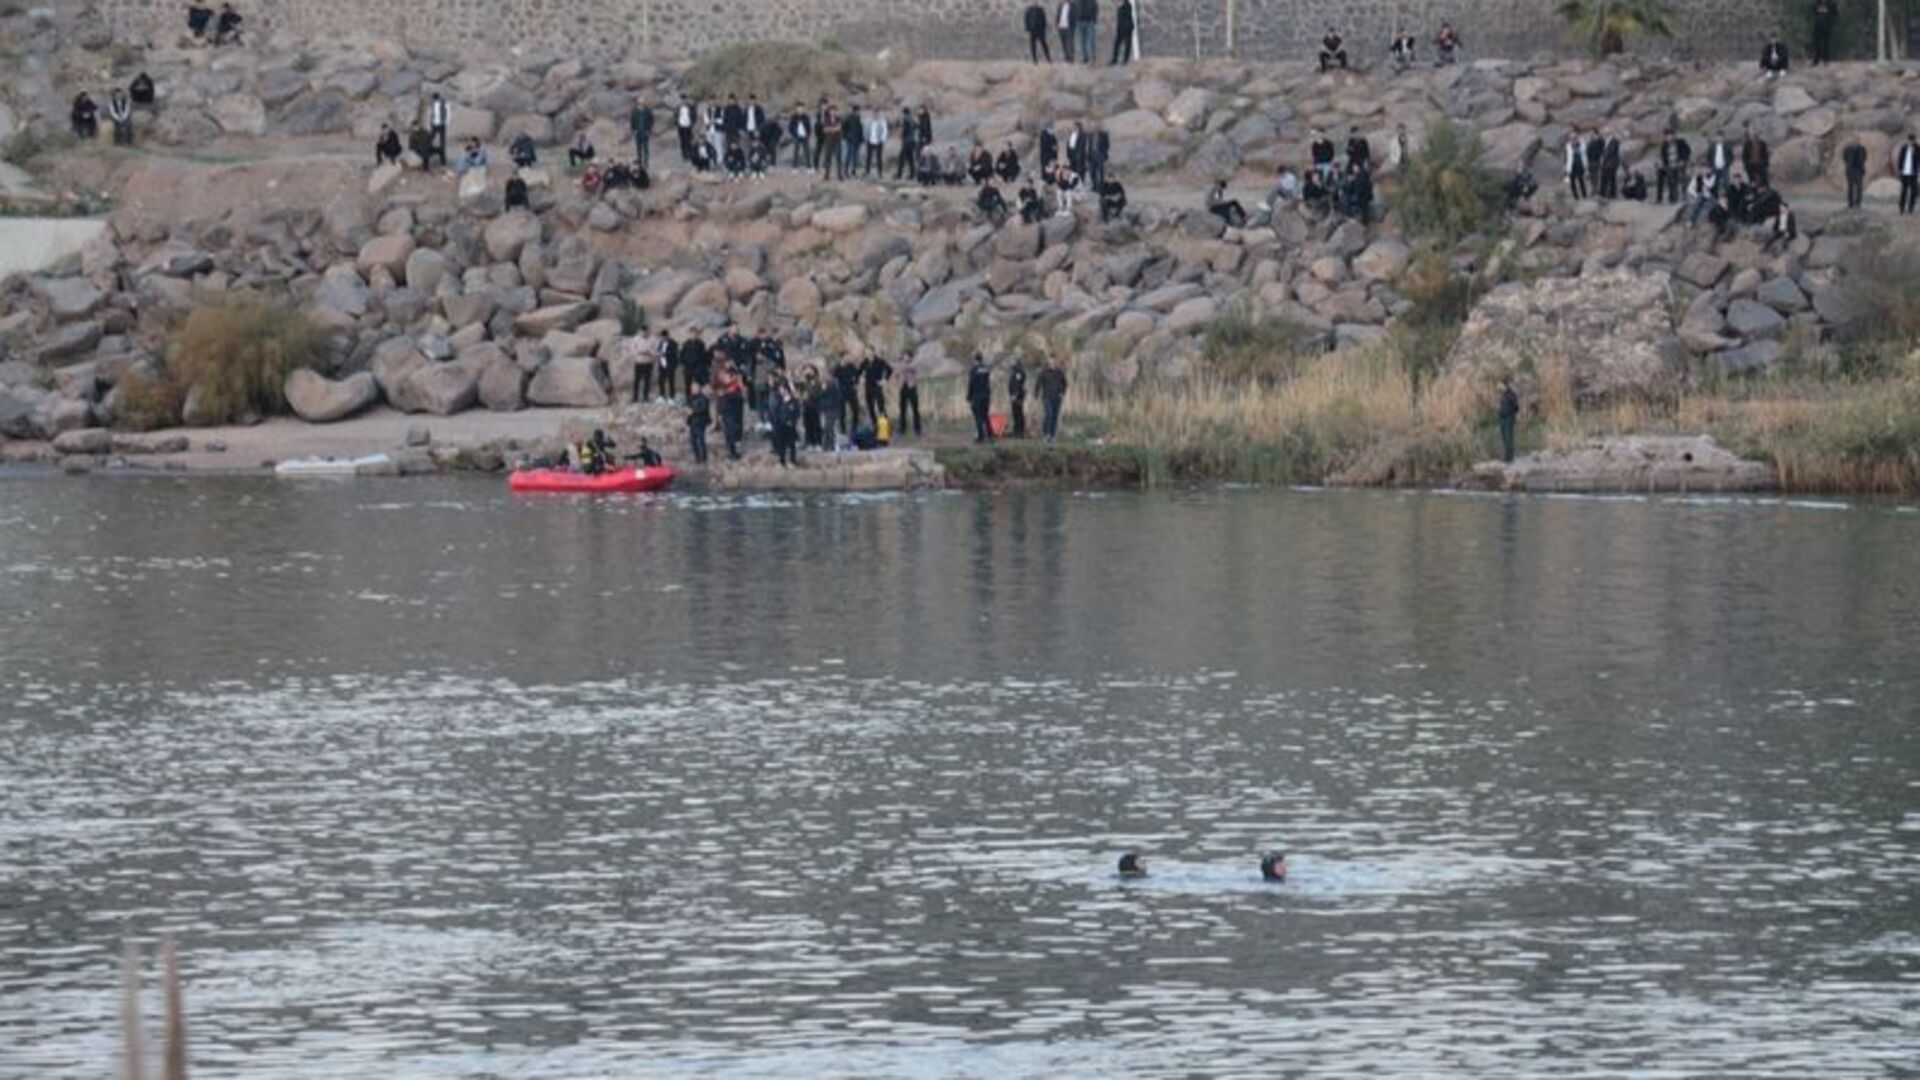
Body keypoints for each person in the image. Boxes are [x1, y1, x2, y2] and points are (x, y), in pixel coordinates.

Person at [716, 365, 747, 461]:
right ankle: (730, 451)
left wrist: (726, 395)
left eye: (726, 376)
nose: (724, 378)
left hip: (732, 414)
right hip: (725, 413)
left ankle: (734, 453)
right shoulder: (724, 387)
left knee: (731, 433)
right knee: (727, 434)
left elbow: (740, 398)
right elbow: (720, 401)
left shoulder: (734, 387)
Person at [1656, 128, 1690, 205]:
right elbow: (1663, 157)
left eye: (1670, 136)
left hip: (1679, 164)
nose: (1668, 138)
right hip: (1669, 165)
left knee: (1681, 177)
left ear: (1673, 136)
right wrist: (1662, 164)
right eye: (1666, 136)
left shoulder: (1680, 142)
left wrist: (1684, 160)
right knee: (1665, 176)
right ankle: (1668, 198)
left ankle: (1682, 196)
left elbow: (1688, 151)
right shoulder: (1664, 145)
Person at [1037, 358, 1067, 443]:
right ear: (1048, 364)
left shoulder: (1059, 373)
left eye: (1054, 363)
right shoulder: (1044, 372)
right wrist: (1036, 393)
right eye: (1051, 363)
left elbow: (1065, 383)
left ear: (1056, 364)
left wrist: (1062, 392)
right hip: (1047, 397)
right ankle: (1046, 434)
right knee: (1048, 414)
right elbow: (1038, 382)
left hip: (1057, 397)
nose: (1053, 364)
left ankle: (1052, 435)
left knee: (1054, 416)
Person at [966, 353, 994, 442]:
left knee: (978, 416)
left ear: (975, 360)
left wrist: (969, 396)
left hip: (977, 396)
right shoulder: (986, 369)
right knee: (985, 415)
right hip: (986, 395)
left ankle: (980, 436)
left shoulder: (973, 370)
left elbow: (971, 384)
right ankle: (990, 433)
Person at [772, 383, 802, 468]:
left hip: (789, 426)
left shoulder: (793, 401)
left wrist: (792, 421)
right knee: (781, 444)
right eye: (780, 389)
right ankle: (781, 461)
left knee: (791, 444)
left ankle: (792, 461)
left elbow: (797, 413)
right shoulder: (779, 401)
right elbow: (775, 412)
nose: (781, 391)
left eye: (782, 389)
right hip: (780, 425)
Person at [861, 354, 892, 427]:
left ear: (873, 352)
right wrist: (859, 379)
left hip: (877, 387)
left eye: (869, 351)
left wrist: (885, 380)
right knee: (870, 408)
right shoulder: (865, 362)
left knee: (881, 408)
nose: (868, 353)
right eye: (866, 352)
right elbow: (859, 371)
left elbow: (889, 369)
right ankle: (875, 425)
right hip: (868, 387)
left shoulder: (880, 361)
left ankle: (884, 428)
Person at [685, 384, 712, 464]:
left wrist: (693, 411)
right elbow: (687, 406)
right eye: (692, 389)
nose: (693, 390)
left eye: (694, 389)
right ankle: (697, 458)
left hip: (700, 422)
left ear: (699, 389)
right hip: (692, 422)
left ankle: (703, 458)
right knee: (693, 441)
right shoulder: (691, 398)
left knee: (700, 440)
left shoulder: (704, 398)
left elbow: (703, 409)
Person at [896, 355, 922, 438]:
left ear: (910, 357)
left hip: (912, 388)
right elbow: (896, 373)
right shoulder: (900, 365)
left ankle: (917, 429)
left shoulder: (914, 364)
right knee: (902, 410)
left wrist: (902, 367)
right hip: (903, 388)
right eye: (904, 356)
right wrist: (898, 381)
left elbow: (911, 368)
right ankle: (902, 429)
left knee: (915, 410)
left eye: (907, 356)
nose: (906, 358)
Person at [1497, 378, 1520, 463]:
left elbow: (1516, 407)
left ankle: (1510, 457)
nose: (1498, 386)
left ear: (1504, 385)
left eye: (1500, 385)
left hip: (1509, 418)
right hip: (1502, 418)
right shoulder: (1501, 394)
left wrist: (1509, 413)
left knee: (1509, 437)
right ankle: (1506, 455)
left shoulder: (1511, 394)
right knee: (1504, 437)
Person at [426, 93, 450, 168]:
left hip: (437, 124)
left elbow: (433, 114)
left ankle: (428, 151)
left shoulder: (436, 103)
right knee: (441, 142)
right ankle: (443, 161)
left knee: (431, 139)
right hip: (441, 124)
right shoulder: (442, 102)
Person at [1843, 138, 1867, 210]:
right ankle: (1850, 203)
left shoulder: (1862, 149)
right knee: (1850, 187)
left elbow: (1865, 157)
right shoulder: (1847, 149)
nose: (1855, 142)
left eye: (1857, 141)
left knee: (1859, 187)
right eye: (1853, 141)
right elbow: (1844, 157)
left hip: (1859, 169)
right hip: (1850, 170)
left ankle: (1858, 203)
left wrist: (1861, 165)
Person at [897, 106, 920, 181]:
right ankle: (912, 174)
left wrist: (901, 135)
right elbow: (917, 126)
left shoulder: (906, 120)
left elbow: (905, 131)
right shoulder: (912, 120)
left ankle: (899, 174)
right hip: (913, 141)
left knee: (901, 158)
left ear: (904, 113)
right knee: (910, 159)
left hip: (907, 141)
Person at [629, 100, 653, 170]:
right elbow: (632, 121)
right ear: (638, 102)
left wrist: (649, 130)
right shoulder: (634, 111)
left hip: (645, 132)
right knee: (638, 149)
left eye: (643, 102)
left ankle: (646, 163)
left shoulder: (647, 110)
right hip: (638, 133)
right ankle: (640, 163)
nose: (642, 103)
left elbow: (651, 120)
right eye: (640, 102)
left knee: (646, 149)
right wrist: (633, 130)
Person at [1563, 131, 1588, 200]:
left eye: (1575, 138)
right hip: (1571, 166)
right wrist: (1566, 167)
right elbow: (1566, 157)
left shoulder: (1581, 145)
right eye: (1572, 138)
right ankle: (1576, 197)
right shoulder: (1568, 146)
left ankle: (1584, 195)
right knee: (1572, 182)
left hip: (1580, 165)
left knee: (1581, 181)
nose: (1573, 139)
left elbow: (1584, 155)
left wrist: (1586, 166)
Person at [864, 107, 888, 176]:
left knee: (879, 157)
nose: (875, 114)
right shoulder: (868, 121)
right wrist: (866, 138)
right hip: (870, 141)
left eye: (877, 113)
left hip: (878, 141)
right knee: (868, 157)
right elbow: (865, 130)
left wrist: (882, 139)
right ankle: (867, 171)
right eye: (874, 113)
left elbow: (885, 131)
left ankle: (880, 172)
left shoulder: (882, 121)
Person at [1007, 359, 1028, 438]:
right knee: (1015, 413)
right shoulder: (1015, 373)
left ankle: (1020, 431)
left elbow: (1018, 385)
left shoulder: (1019, 373)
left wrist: (1015, 394)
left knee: (1018, 413)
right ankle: (1016, 430)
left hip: (1017, 396)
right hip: (1014, 395)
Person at [1899, 135, 1920, 215]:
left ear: (1914, 141)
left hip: (1913, 173)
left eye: (1912, 141)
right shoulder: (1904, 148)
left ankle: (1911, 208)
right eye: (1909, 140)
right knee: (1904, 191)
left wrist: (1914, 150)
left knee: (1913, 191)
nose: (1910, 142)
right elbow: (1900, 158)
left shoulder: (1917, 148)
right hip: (1904, 172)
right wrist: (1900, 168)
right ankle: (1901, 208)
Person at [1073, 0, 1098, 65]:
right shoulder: (1078, 2)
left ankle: (1092, 56)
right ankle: (1086, 57)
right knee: (1083, 40)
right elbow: (1075, 9)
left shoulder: (1092, 1)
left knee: (1089, 39)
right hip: (1081, 22)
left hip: (1090, 22)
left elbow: (1095, 9)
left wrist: (1094, 19)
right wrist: (1077, 18)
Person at [1111, 0, 1135, 64]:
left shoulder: (1127, 5)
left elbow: (1126, 15)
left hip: (1127, 28)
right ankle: (1115, 59)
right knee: (1117, 44)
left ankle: (1124, 60)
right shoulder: (1121, 6)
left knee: (1127, 45)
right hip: (1121, 28)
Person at [675, 96, 696, 164]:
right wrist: (677, 124)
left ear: (687, 100)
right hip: (681, 126)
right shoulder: (678, 108)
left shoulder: (691, 107)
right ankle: (684, 155)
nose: (683, 101)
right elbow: (675, 116)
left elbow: (694, 115)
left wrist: (692, 123)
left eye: (684, 100)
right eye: (682, 100)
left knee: (689, 140)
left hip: (688, 126)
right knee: (682, 141)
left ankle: (690, 154)